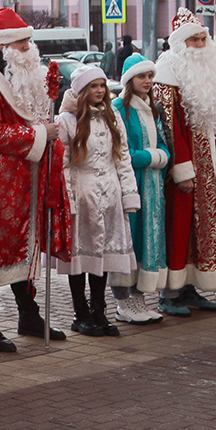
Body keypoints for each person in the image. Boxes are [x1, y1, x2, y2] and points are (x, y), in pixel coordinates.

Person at [0, 8, 69, 351]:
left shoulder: (19, 74)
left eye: (29, 41)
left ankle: (28, 313)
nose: (29, 48)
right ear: (6, 46)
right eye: (23, 42)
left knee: (26, 247)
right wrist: (39, 133)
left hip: (27, 176)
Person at [151, 9, 216, 312]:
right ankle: (170, 292)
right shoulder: (167, 73)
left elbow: (215, 122)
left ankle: (193, 286)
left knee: (205, 229)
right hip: (182, 170)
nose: (199, 44)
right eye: (193, 39)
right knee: (179, 226)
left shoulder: (208, 74)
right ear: (180, 44)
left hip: (209, 168)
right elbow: (169, 127)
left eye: (202, 38)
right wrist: (182, 169)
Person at [53, 65, 139, 337]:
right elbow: (63, 163)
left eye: (102, 85)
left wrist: (128, 193)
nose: (100, 90)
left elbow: (122, 156)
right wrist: (69, 198)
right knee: (81, 257)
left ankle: (99, 310)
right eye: (93, 86)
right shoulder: (68, 120)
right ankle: (81, 313)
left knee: (102, 256)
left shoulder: (111, 117)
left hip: (110, 194)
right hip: (83, 193)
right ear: (81, 91)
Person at [110, 54, 169, 323]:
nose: (147, 81)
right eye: (141, 76)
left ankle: (139, 297)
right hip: (131, 184)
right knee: (129, 238)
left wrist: (162, 156)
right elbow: (121, 152)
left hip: (153, 186)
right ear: (129, 80)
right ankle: (123, 300)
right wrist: (153, 157)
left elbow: (164, 145)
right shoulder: (119, 109)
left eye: (150, 76)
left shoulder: (152, 107)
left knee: (148, 239)